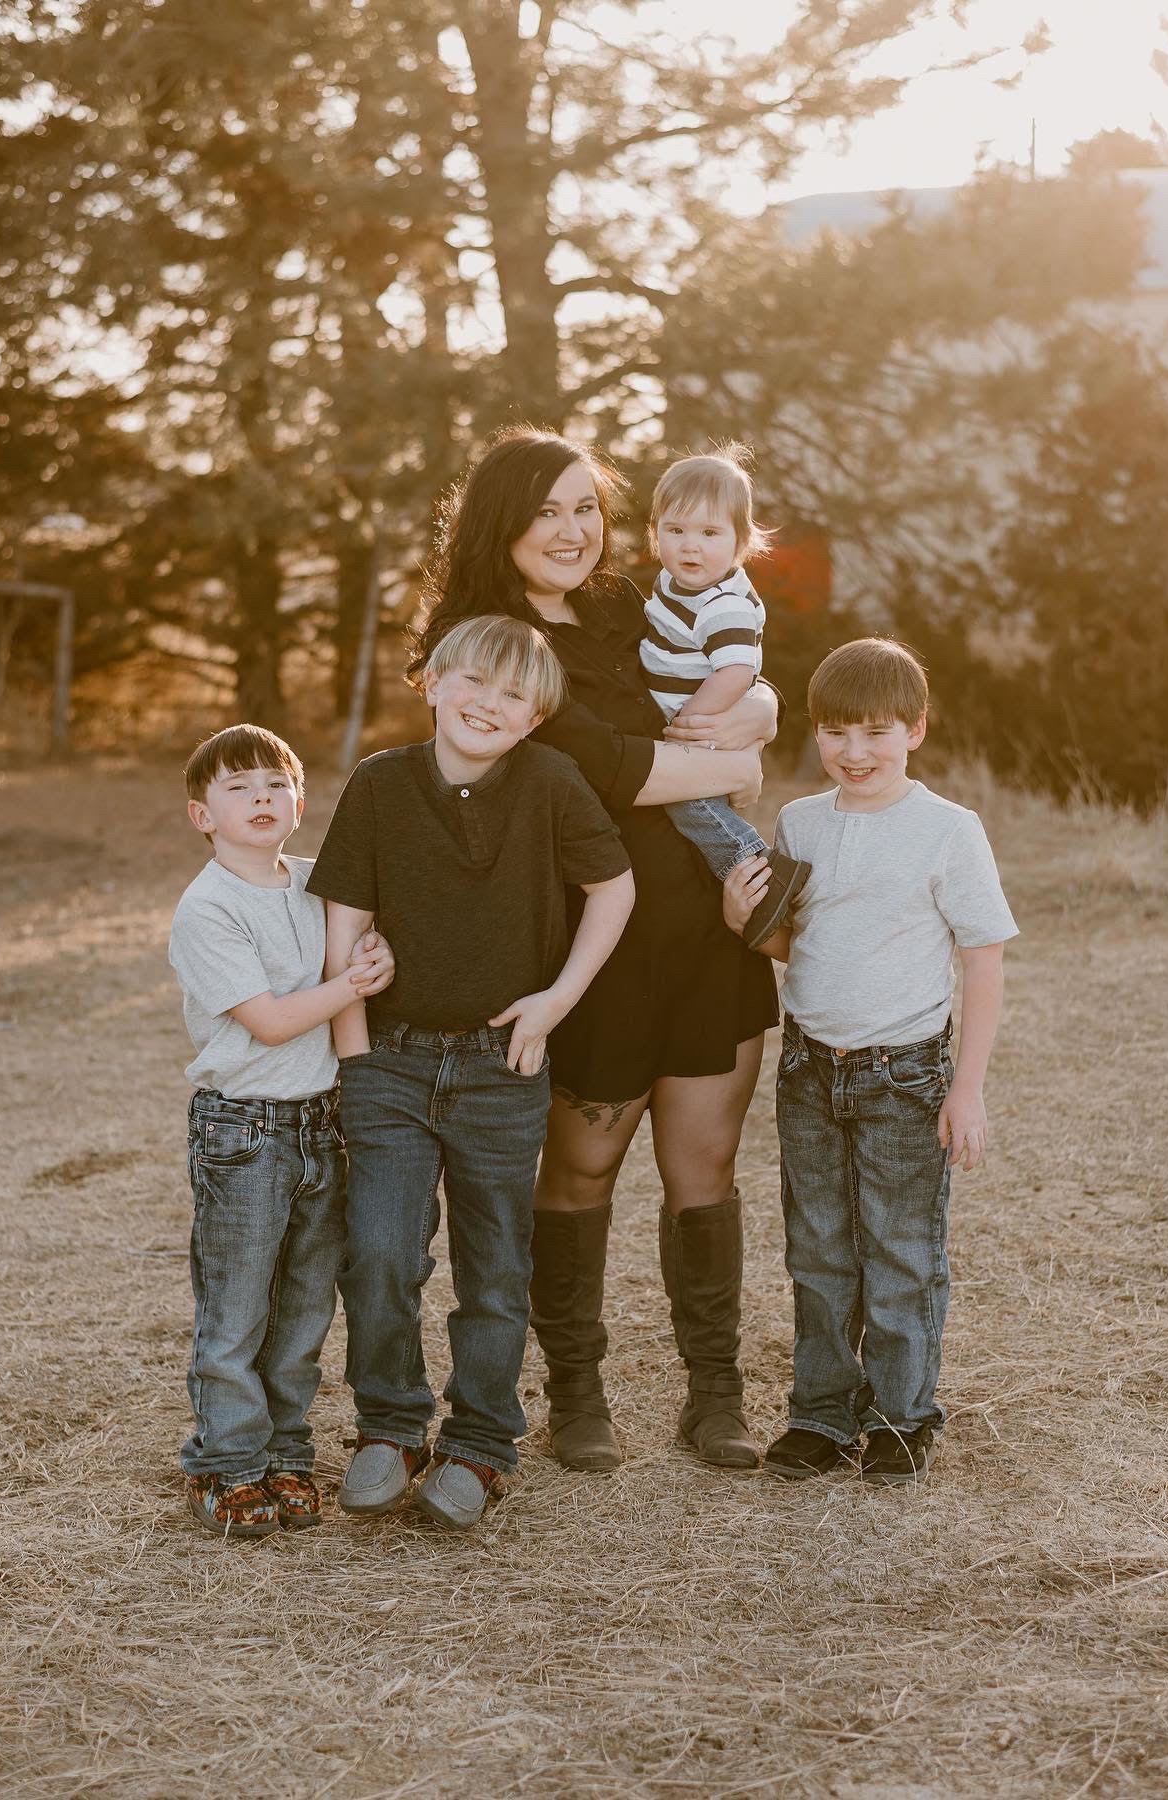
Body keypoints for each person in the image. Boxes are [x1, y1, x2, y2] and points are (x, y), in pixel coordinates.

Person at [409, 426, 782, 1474]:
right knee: (579, 1168)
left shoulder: (630, 603)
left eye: (588, 508)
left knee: (704, 1164)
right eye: (548, 511)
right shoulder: (487, 644)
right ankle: (576, 1391)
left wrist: (757, 704)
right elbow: (610, 768)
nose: (574, 531)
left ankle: (715, 1395)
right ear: (503, 522)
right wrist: (727, 765)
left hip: (706, 929)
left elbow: (735, 659)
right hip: (588, 941)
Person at [307, 616, 635, 1531]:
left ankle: (483, 1442)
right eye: (475, 684)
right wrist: (352, 1049)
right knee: (379, 1252)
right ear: (435, 683)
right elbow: (346, 913)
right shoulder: (380, 784)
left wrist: (556, 1000)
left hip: (501, 1064)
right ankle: (390, 1425)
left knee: (494, 1266)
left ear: (534, 719)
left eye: (513, 696)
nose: (489, 705)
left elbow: (615, 889)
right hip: (392, 1060)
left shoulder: (551, 783)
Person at [723, 639, 1018, 1487]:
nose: (855, 752)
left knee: (899, 1250)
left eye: (877, 732)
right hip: (811, 1069)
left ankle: (900, 1417)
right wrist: (740, 916)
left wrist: (967, 1089)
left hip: (904, 1074)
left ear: (916, 730)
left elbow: (984, 958)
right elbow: (793, 943)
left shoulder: (948, 831)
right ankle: (821, 1412)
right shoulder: (802, 822)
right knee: (817, 1250)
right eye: (835, 731)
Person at [168, 724, 394, 1537]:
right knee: (236, 1311)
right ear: (203, 814)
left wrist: (367, 965)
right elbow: (266, 1022)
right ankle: (226, 1465)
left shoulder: (316, 883)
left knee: (303, 1307)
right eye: (237, 787)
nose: (260, 798)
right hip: (245, 1131)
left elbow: (361, 949)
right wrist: (352, 984)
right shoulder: (208, 908)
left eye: (274, 783)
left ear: (300, 800)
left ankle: (286, 1454)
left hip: (321, 1125)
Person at [642, 447, 810, 949]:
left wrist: (692, 721)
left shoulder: (723, 604)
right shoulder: (678, 586)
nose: (690, 547)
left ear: (742, 541)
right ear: (655, 532)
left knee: (690, 806)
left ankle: (756, 868)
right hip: (695, 729)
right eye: (675, 531)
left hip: (704, 731)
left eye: (710, 534)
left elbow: (737, 672)